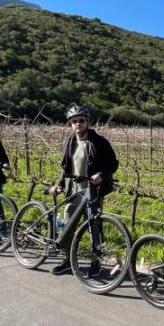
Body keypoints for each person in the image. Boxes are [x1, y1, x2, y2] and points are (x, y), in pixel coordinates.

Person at [48, 104, 118, 276]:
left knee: (93, 225)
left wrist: (101, 174)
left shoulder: (99, 142)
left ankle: (96, 262)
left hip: (92, 189)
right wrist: (58, 184)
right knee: (67, 224)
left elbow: (113, 164)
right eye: (74, 121)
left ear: (88, 122)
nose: (77, 124)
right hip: (73, 189)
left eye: (81, 121)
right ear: (70, 124)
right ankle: (68, 260)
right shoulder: (70, 142)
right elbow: (66, 169)